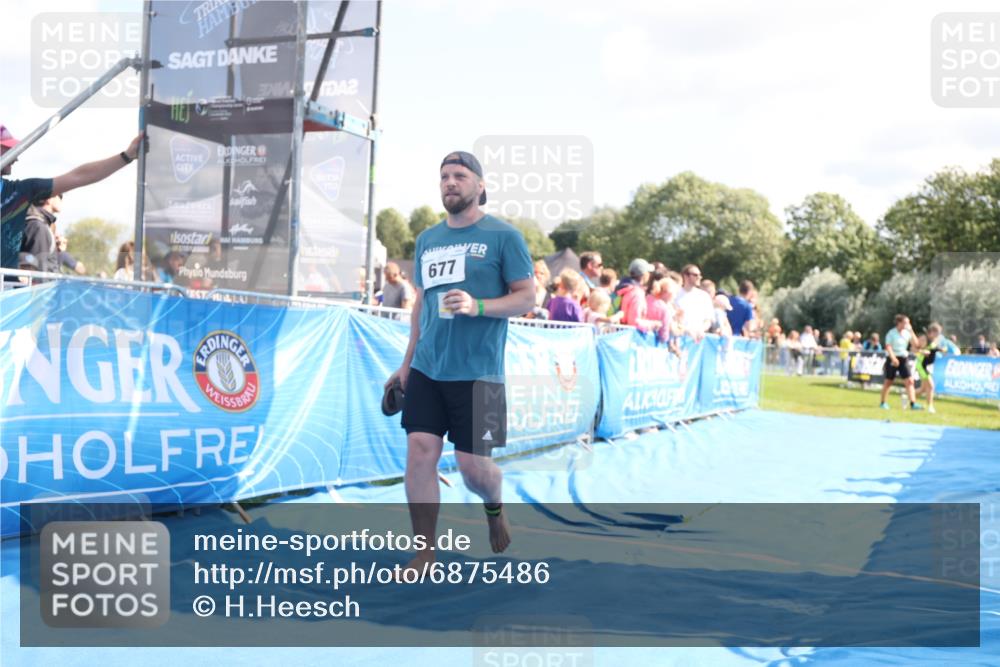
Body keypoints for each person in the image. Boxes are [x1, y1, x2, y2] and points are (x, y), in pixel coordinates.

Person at [384, 151, 534, 575]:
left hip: (481, 374)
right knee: (419, 451)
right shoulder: (428, 239)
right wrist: (406, 365)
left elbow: (527, 297)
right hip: (429, 369)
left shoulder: (505, 237)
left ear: (480, 186)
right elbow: (421, 307)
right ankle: (425, 553)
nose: (451, 182)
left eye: (460, 176)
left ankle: (494, 502)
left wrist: (478, 304)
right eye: (445, 176)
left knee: (474, 469)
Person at [2, 124, 142, 273]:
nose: (16, 157)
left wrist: (126, 156)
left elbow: (79, 176)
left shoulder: (20, 192)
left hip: (8, 292)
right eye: (9, 150)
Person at [879, 314, 922, 410]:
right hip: (892, 358)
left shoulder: (907, 333)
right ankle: (883, 402)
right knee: (888, 382)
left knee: (910, 381)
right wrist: (893, 358)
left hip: (903, 358)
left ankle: (913, 404)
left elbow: (916, 345)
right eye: (906, 322)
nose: (907, 324)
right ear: (899, 323)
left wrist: (911, 331)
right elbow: (888, 346)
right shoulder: (891, 333)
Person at [21, 193, 62, 273]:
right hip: (42, 284)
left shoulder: (39, 223)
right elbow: (38, 268)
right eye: (60, 196)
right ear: (49, 199)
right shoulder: (38, 226)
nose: (61, 200)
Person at [915, 322, 949, 414]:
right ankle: (930, 406)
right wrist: (922, 352)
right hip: (921, 365)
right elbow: (914, 350)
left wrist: (942, 350)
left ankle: (908, 398)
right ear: (932, 332)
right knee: (931, 386)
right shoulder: (924, 338)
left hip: (927, 366)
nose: (939, 335)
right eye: (938, 333)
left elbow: (933, 349)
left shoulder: (934, 340)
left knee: (923, 389)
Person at [674, 264, 713, 338]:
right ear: (686, 276)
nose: (699, 277)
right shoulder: (675, 293)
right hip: (679, 336)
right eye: (695, 275)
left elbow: (708, 319)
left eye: (700, 275)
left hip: (698, 338)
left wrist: (701, 329)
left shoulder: (704, 296)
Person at [615, 258, 653, 329]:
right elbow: (634, 322)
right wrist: (653, 324)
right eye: (648, 272)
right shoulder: (637, 293)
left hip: (616, 332)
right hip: (627, 335)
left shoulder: (621, 287)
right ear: (645, 274)